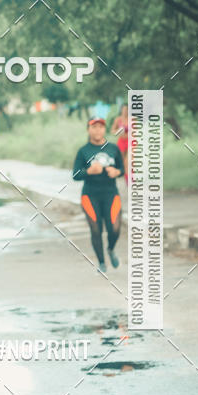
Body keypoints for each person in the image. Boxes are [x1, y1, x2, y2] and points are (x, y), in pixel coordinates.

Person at [72, 117, 124, 273]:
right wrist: (88, 171)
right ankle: (101, 263)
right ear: (88, 130)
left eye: (100, 127)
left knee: (115, 228)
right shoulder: (83, 151)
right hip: (90, 195)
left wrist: (116, 172)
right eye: (94, 127)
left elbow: (122, 169)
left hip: (110, 194)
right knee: (96, 230)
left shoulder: (113, 148)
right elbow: (75, 174)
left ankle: (111, 249)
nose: (97, 130)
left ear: (104, 129)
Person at [112, 103, 129, 181]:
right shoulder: (118, 119)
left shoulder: (132, 119)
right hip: (121, 142)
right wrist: (118, 131)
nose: (125, 111)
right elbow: (113, 131)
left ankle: (129, 179)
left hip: (130, 142)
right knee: (121, 161)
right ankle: (122, 176)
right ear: (121, 110)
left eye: (127, 109)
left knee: (128, 161)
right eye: (124, 109)